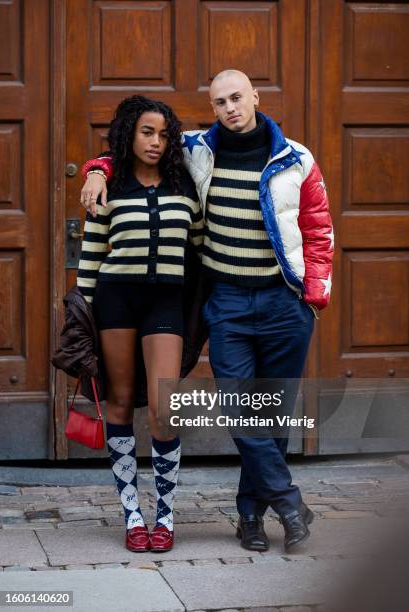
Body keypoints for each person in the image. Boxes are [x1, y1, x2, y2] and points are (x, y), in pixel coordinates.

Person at [80, 70, 334, 554]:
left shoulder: (296, 159)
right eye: (219, 101)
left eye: (237, 98)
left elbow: (318, 229)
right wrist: (96, 168)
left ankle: (251, 516)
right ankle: (287, 501)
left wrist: (314, 296)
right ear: (212, 108)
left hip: (284, 302)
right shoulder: (198, 150)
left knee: (273, 417)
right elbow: (127, 148)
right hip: (229, 304)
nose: (230, 108)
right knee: (243, 413)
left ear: (255, 96)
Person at [77, 95, 204, 553]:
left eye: (164, 134)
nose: (155, 141)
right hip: (114, 301)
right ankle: (132, 514)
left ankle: (165, 516)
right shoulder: (110, 184)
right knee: (120, 401)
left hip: (166, 302)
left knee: (163, 408)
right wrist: (82, 318)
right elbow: (91, 258)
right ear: (129, 132)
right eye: (147, 131)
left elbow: (199, 249)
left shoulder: (185, 185)